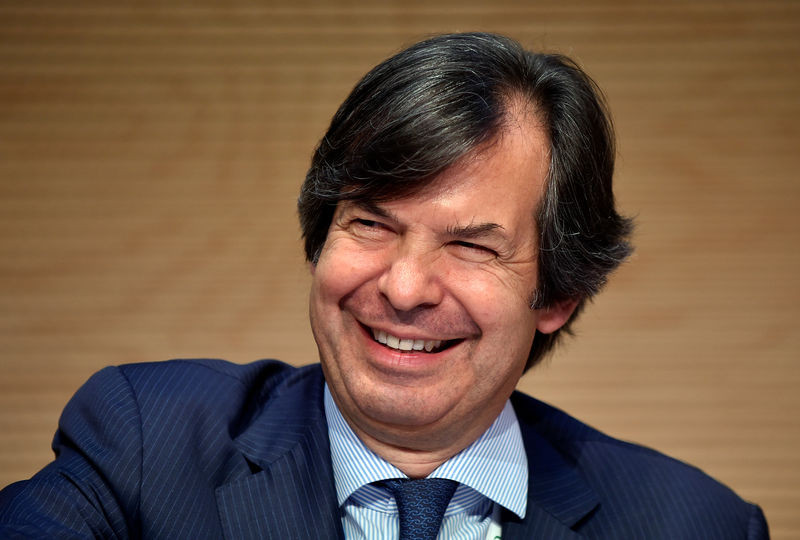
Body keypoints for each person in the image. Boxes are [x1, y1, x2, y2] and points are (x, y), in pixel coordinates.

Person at [0, 32, 767, 539]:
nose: (403, 288)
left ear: (558, 294)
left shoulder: (691, 523)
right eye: (370, 224)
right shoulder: (147, 444)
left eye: (470, 246)